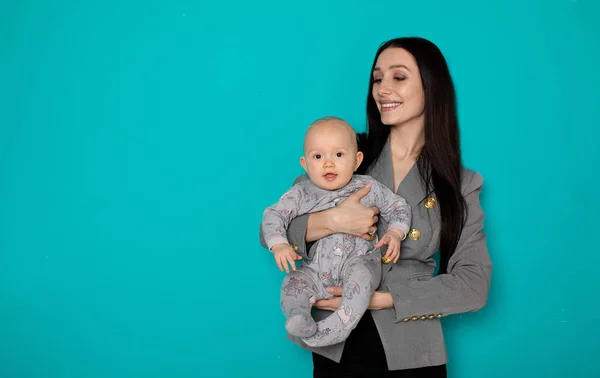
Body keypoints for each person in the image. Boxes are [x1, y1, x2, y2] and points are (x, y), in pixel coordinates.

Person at [259, 36, 491, 377]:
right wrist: (332, 220)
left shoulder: (460, 182)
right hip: (336, 351)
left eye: (398, 77)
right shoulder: (345, 154)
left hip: (414, 349)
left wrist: (383, 298)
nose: (383, 88)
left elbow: (473, 284)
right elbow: (273, 227)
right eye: (377, 78)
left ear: (431, 86)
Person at [261, 116, 411, 347]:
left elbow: (398, 206)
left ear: (356, 160)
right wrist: (279, 244)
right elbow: (273, 215)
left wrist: (395, 233)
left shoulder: (368, 187)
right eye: (318, 157)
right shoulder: (301, 193)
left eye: (339, 155)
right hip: (314, 269)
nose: (328, 164)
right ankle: (298, 316)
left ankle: (337, 328)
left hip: (358, 263)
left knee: (361, 282)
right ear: (305, 164)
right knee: (293, 282)